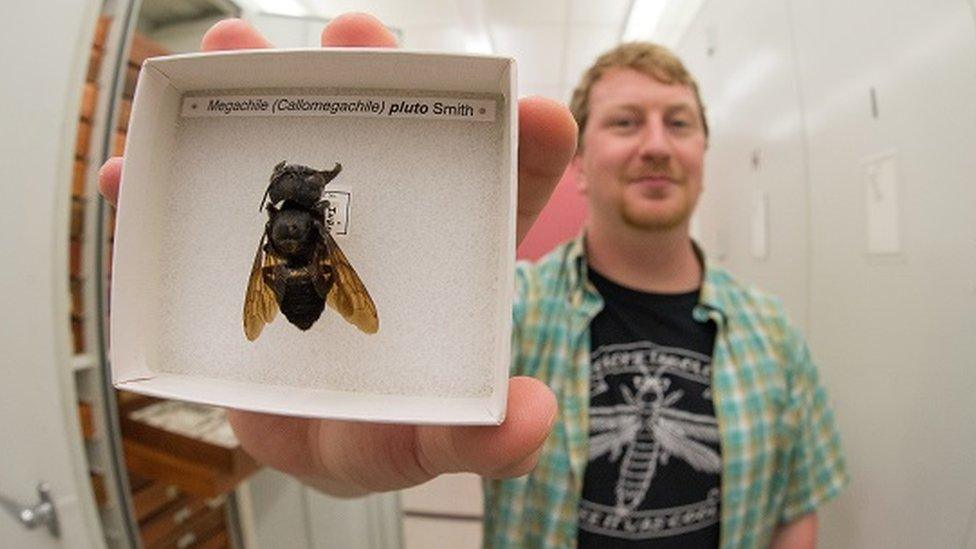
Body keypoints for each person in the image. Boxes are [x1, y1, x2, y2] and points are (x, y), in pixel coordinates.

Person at [99, 13, 846, 549]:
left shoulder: (775, 333)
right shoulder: (508, 311)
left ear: (705, 150)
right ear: (579, 164)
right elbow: (395, 415)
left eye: (678, 122)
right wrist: (327, 454)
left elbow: (795, 505)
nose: (656, 144)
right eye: (626, 123)